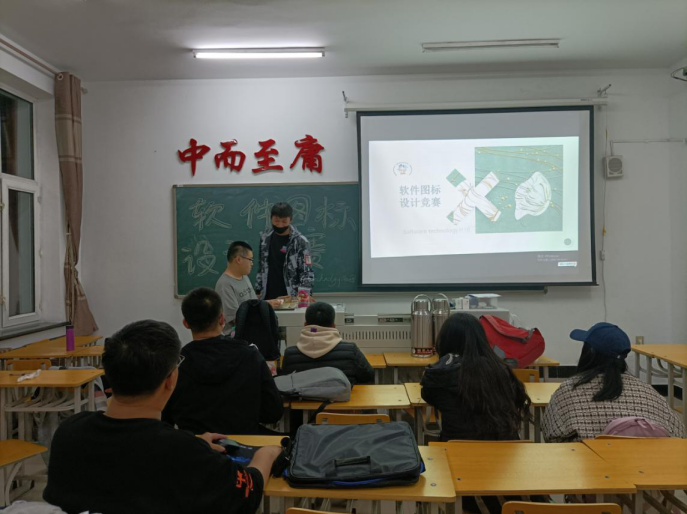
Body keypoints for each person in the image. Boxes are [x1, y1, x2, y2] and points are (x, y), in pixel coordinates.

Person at [44, 319, 282, 514]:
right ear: (171, 380)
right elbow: (247, 494)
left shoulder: (68, 434)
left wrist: (195, 444)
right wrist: (266, 454)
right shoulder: (182, 453)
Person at [162, 287, 284, 435]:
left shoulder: (176, 364)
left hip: (196, 446)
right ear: (222, 319)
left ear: (186, 323)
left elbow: (165, 417)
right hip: (245, 444)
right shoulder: (250, 355)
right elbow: (273, 412)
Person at [542, 322, 685, 442]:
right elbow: (680, 435)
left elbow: (551, 436)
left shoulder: (569, 390)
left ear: (588, 353)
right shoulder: (648, 391)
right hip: (650, 465)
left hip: (588, 466)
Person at [421, 313, 531, 441]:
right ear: (481, 339)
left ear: (445, 340)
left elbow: (429, 397)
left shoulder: (440, 373)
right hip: (504, 448)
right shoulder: (501, 369)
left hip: (457, 449)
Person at [281, 301, 374, 385]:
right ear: (333, 326)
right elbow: (369, 376)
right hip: (341, 397)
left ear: (305, 325)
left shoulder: (290, 354)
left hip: (302, 398)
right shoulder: (351, 350)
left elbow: (285, 383)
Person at [215, 241, 281, 335]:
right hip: (237, 337)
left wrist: (268, 303)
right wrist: (265, 307)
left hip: (252, 330)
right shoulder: (224, 285)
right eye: (250, 259)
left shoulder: (244, 276)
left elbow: (253, 304)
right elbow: (237, 319)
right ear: (239, 259)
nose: (252, 263)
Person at [255, 202, 314, 301]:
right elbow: (261, 266)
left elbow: (306, 271)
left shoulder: (300, 241)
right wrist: (258, 290)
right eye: (276, 221)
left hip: (292, 296)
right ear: (271, 218)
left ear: (291, 220)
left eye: (284, 221)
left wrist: (304, 295)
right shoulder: (265, 238)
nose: (280, 225)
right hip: (268, 295)